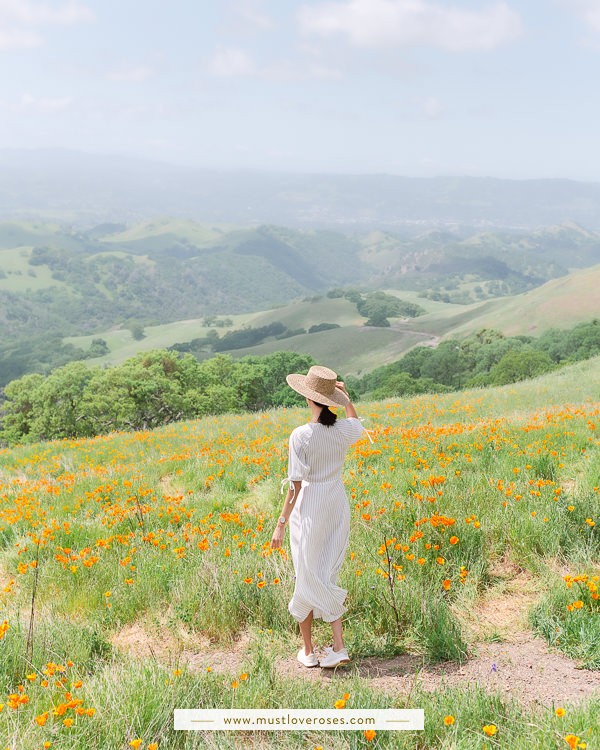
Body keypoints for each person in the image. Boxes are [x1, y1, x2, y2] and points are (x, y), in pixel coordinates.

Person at [270, 365, 365, 669]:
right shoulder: (344, 431)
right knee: (324, 572)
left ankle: (310, 651)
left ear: (309, 400)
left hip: (309, 507)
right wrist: (346, 399)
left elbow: (295, 488)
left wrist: (280, 524)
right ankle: (335, 647)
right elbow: (355, 422)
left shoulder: (301, 436)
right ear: (331, 400)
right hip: (336, 501)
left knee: (307, 573)